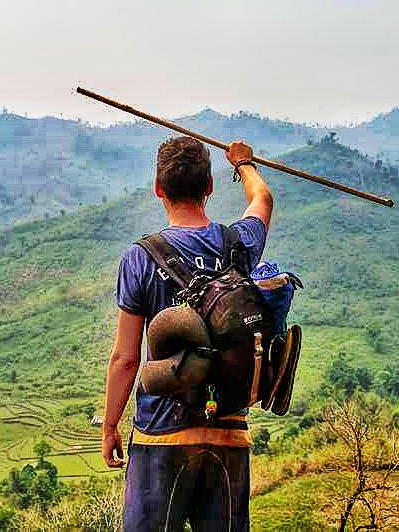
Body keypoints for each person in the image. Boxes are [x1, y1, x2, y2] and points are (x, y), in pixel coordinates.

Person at [102, 135, 274, 531]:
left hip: (160, 436)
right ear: (210, 188)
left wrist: (111, 425)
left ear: (158, 189)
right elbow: (262, 200)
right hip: (228, 432)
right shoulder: (238, 245)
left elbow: (126, 359)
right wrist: (244, 163)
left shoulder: (141, 258)